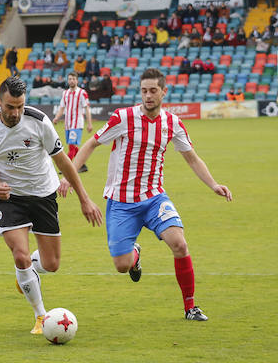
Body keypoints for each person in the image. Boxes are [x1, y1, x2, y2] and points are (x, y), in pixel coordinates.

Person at [64, 68, 232, 322]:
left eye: (153, 90)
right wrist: (69, 175)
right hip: (121, 202)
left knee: (180, 244)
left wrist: (213, 184)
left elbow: (192, 158)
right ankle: (135, 254)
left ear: (164, 92)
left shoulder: (172, 123)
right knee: (122, 266)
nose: (148, 96)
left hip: (154, 198)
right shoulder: (123, 117)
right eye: (144, 91)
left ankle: (190, 307)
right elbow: (91, 144)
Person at [0, 77, 102, 335]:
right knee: (19, 255)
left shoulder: (39, 122)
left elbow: (64, 162)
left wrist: (84, 199)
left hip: (44, 195)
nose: (16, 113)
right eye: (10, 107)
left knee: (52, 263)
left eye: (20, 106)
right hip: (11, 199)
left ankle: (27, 271)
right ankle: (41, 316)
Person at [53, 73, 92, 173]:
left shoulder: (82, 93)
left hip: (77, 124)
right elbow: (62, 107)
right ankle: (82, 165)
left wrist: (89, 123)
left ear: (77, 81)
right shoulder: (65, 93)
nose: (71, 81)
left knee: (71, 146)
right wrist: (57, 118)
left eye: (73, 79)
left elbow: (87, 108)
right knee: (73, 146)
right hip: (68, 124)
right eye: (70, 79)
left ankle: (66, 168)